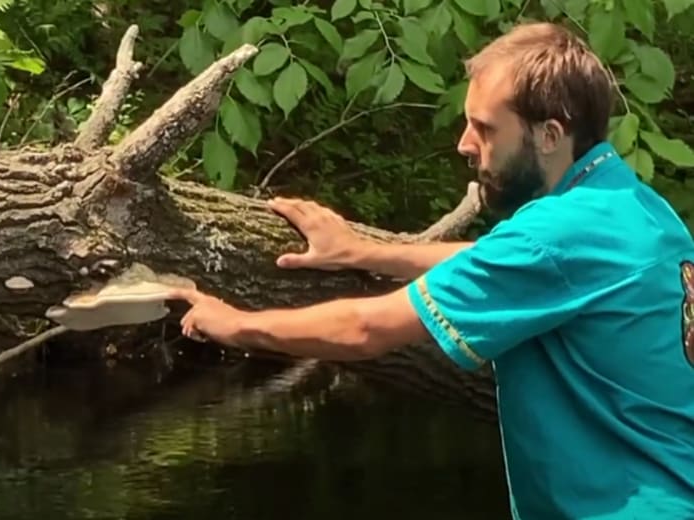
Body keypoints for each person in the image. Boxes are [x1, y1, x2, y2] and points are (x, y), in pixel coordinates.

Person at [169, 21, 694, 519]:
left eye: (485, 128)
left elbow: (365, 330)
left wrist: (235, 324)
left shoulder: (558, 233)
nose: (464, 144)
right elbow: (497, 260)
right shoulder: (634, 207)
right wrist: (363, 252)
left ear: (550, 135)